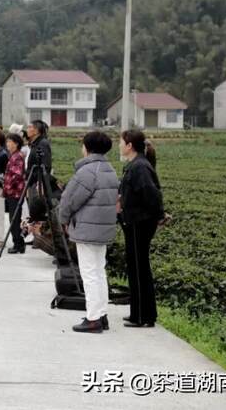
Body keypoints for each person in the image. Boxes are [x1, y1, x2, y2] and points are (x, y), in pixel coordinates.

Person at [58, 131, 118, 333]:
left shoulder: (87, 172)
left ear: (87, 147)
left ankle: (93, 319)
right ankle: (101, 314)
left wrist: (63, 219)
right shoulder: (109, 169)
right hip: (103, 229)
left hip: (87, 229)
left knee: (89, 274)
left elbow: (69, 199)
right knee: (99, 272)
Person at [119, 130, 164, 328]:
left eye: (121, 142)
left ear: (129, 145)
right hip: (135, 222)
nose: (119, 145)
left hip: (140, 223)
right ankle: (140, 313)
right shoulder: (137, 165)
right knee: (137, 267)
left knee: (139, 268)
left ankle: (142, 316)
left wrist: (158, 215)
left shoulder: (139, 167)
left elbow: (151, 194)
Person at [3, 133, 27, 254]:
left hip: (15, 193)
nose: (7, 144)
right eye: (7, 142)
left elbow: (16, 175)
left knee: (14, 220)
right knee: (13, 219)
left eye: (10, 142)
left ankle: (18, 244)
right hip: (12, 192)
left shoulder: (17, 156)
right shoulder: (13, 156)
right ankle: (18, 243)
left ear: (16, 144)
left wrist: (7, 185)